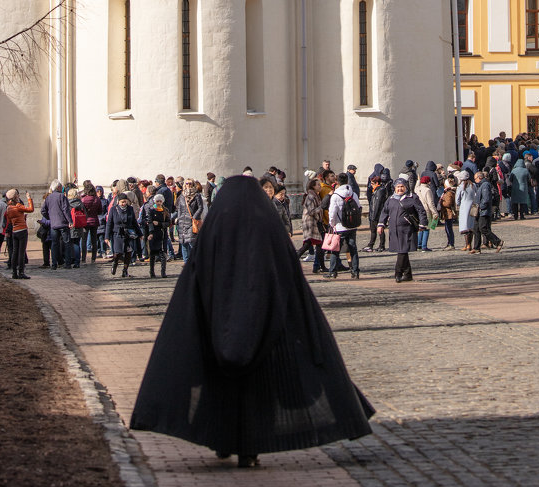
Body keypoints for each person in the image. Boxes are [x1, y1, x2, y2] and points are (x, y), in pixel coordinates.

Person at [130, 176, 374, 467]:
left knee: (219, 386)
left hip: (216, 320)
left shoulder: (215, 227)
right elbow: (289, 276)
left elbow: (194, 278)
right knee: (260, 388)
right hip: (266, 318)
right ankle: (250, 449)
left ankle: (221, 441)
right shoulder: (267, 226)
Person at [377, 178, 427, 282]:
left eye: (402, 187)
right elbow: (385, 212)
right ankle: (408, 274)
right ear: (395, 188)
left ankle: (398, 272)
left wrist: (422, 224)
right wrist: (381, 224)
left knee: (402, 251)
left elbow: (421, 211)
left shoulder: (412, 197)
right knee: (402, 251)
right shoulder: (391, 199)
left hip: (407, 229)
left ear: (406, 187)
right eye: (398, 187)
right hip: (394, 229)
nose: (400, 189)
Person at [328, 173, 361, 279]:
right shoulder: (353, 194)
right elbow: (359, 207)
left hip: (339, 226)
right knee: (353, 249)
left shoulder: (336, 196)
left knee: (335, 249)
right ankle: (355, 271)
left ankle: (333, 271)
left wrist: (332, 224)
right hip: (352, 225)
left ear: (337, 182)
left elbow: (332, 212)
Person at [105, 193, 142, 277]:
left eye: (125, 202)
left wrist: (140, 234)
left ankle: (125, 270)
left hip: (128, 233)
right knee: (118, 252)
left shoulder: (130, 209)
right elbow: (109, 223)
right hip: (117, 233)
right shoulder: (113, 209)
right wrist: (107, 236)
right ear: (118, 202)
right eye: (122, 202)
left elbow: (134, 222)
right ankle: (115, 263)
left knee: (128, 252)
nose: (124, 204)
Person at [42, 179, 72, 270]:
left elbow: (43, 210)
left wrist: (49, 217)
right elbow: (65, 210)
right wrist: (70, 221)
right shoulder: (61, 196)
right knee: (66, 243)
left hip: (54, 224)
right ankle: (67, 263)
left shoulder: (48, 198)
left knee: (54, 244)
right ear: (58, 187)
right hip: (62, 223)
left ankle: (54, 264)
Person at [471, 172, 504, 253]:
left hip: (483, 211)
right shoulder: (481, 185)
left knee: (483, 228)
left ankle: (497, 241)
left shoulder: (485, 185)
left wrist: (481, 207)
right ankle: (476, 248)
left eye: (475, 178)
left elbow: (486, 198)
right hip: (480, 211)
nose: (475, 180)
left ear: (479, 177)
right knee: (476, 229)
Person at [4, 189, 34, 279]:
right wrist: (29, 199)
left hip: (14, 231)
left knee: (14, 252)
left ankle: (14, 273)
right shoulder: (17, 206)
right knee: (21, 252)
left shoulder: (8, 208)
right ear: (15, 197)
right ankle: (21, 272)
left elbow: (9, 221)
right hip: (22, 230)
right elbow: (30, 209)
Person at [174, 178, 204, 263]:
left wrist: (194, 217)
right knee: (183, 243)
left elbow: (200, 208)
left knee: (191, 242)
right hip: (182, 222)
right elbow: (179, 208)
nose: (188, 185)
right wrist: (178, 219)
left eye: (190, 183)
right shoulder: (182, 196)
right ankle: (186, 263)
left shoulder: (197, 195)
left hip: (191, 222)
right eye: (187, 183)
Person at [298, 178, 324, 273]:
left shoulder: (315, 196)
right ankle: (293, 259)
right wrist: (321, 207)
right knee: (309, 243)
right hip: (310, 222)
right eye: (318, 185)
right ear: (313, 186)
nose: (320, 187)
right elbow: (311, 211)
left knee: (318, 244)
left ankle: (319, 266)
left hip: (314, 222)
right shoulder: (311, 196)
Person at [364, 169, 390, 253]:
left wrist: (373, 216)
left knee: (380, 230)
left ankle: (381, 245)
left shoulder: (380, 191)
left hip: (377, 215)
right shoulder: (376, 190)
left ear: (376, 183)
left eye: (372, 183)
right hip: (374, 214)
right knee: (374, 231)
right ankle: (371, 244)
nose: (371, 185)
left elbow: (377, 205)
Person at [144, 193, 170, 278]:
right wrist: (150, 233)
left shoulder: (165, 210)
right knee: (152, 254)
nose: (159, 203)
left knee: (163, 254)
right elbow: (150, 222)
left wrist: (160, 224)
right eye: (157, 201)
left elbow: (168, 223)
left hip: (162, 234)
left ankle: (163, 272)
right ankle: (152, 271)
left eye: (160, 201)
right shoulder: (151, 210)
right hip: (154, 234)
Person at [80, 180, 102, 262]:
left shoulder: (83, 199)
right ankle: (93, 258)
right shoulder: (97, 199)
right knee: (94, 240)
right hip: (94, 221)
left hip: (85, 221)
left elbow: (81, 210)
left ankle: (83, 258)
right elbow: (100, 211)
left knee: (84, 240)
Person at [415, 175, 438, 252]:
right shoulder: (427, 190)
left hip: (419, 210)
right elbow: (430, 203)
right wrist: (435, 213)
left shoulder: (417, 189)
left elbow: (416, 186)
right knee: (426, 228)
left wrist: (418, 180)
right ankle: (424, 246)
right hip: (426, 210)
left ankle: (418, 245)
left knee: (421, 227)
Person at [455, 171, 476, 251]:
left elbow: (457, 199)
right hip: (472, 206)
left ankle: (467, 244)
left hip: (464, 207)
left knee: (465, 226)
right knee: (471, 226)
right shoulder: (473, 185)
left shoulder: (460, 187)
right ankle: (470, 244)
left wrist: (459, 204)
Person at [437, 177, 458, 251]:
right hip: (446, 213)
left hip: (448, 213)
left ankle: (451, 244)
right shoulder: (447, 192)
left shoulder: (449, 193)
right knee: (447, 228)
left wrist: (441, 202)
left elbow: (448, 203)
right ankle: (449, 243)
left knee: (449, 229)